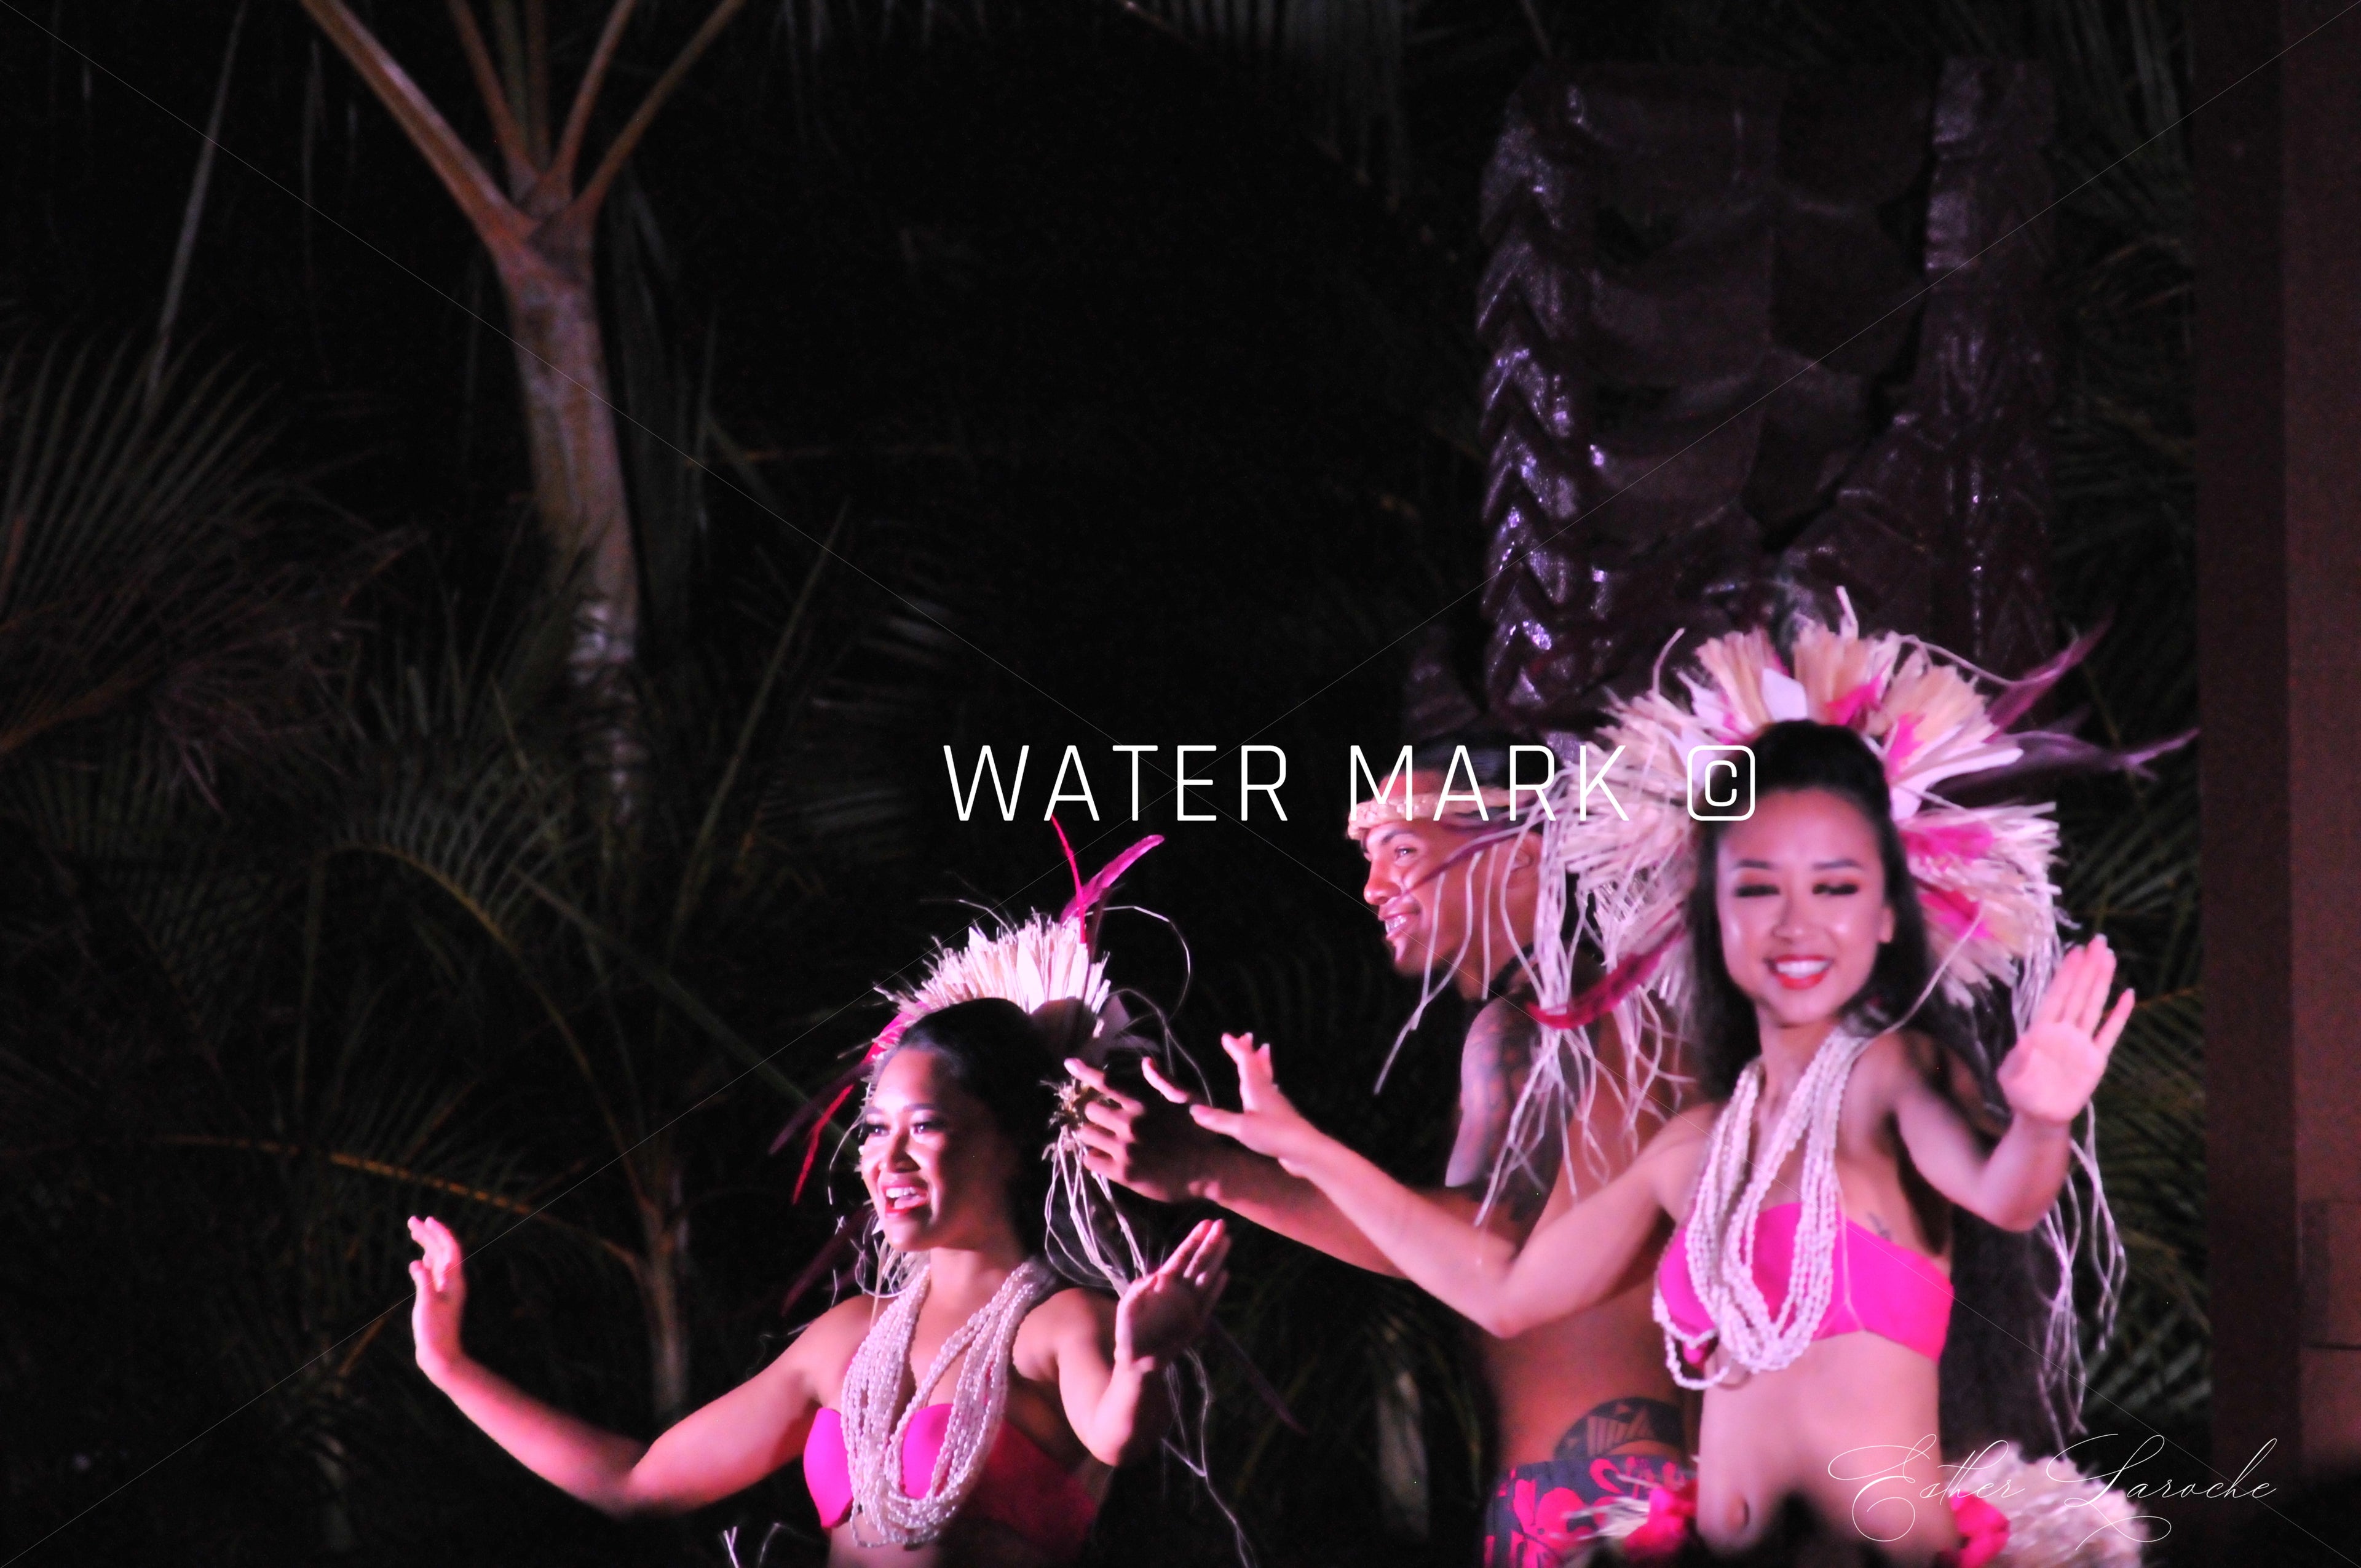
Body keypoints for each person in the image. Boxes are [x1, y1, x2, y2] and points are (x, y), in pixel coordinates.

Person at [1192, 708, 2142, 1566]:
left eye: (1836, 886)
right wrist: (1298, 1147)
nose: (1795, 922)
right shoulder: (1692, 1150)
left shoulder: (1892, 1082)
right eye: (1757, 888)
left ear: (1888, 914)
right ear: (1714, 916)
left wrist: (2044, 1118)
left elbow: (2005, 1191)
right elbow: (1503, 1293)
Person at [407, 845, 1232, 1567]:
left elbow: (1117, 1432)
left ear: (1014, 1138)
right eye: (875, 1129)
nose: (885, 1157)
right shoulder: (847, 1337)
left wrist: (1144, 1364)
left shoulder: (1061, 1326)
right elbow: (638, 1482)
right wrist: (451, 1367)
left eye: (926, 1125)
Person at [1070, 737, 1691, 1567]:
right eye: (1367, 857)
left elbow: (1482, 1255)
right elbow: (1444, 1248)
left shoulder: (1533, 1024)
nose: (1371, 888)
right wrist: (1216, 1168)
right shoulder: (1619, 1012)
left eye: (1403, 850)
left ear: (1520, 854)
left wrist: (1218, 1167)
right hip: (1631, 1493)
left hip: (1592, 1513)